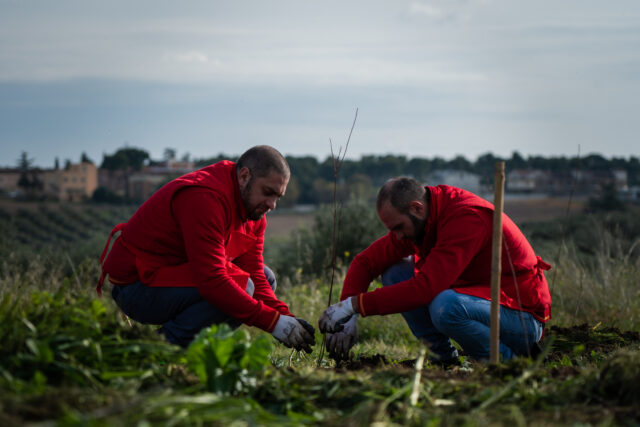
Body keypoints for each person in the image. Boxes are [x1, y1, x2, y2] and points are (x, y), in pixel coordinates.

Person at [98, 145, 315, 351]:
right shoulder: (204, 197)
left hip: (171, 278)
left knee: (266, 278)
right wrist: (274, 323)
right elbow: (211, 279)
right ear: (244, 176)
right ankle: (160, 350)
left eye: (277, 196)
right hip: (135, 288)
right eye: (268, 192)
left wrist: (287, 319)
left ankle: (180, 344)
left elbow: (255, 273)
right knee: (242, 287)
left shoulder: (254, 211)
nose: (272, 205)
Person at [318, 177, 552, 363]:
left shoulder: (466, 218)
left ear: (416, 208)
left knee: (446, 306)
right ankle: (443, 359)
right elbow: (365, 262)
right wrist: (347, 317)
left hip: (522, 319)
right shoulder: (422, 221)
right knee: (394, 272)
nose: (397, 236)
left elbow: (426, 289)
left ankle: (509, 364)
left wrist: (354, 305)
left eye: (398, 227)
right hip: (484, 304)